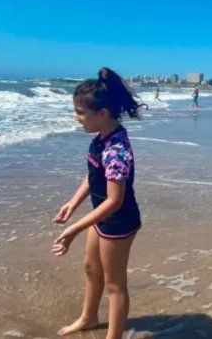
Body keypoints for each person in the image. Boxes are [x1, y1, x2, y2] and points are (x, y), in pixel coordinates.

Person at [52, 67, 143, 338]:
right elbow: (93, 176)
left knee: (115, 285)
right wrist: (72, 203)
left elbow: (115, 200)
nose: (76, 117)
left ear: (102, 114)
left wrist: (73, 229)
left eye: (81, 112)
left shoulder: (116, 150)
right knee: (92, 268)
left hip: (118, 220)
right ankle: (89, 318)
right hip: (101, 215)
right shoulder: (100, 139)